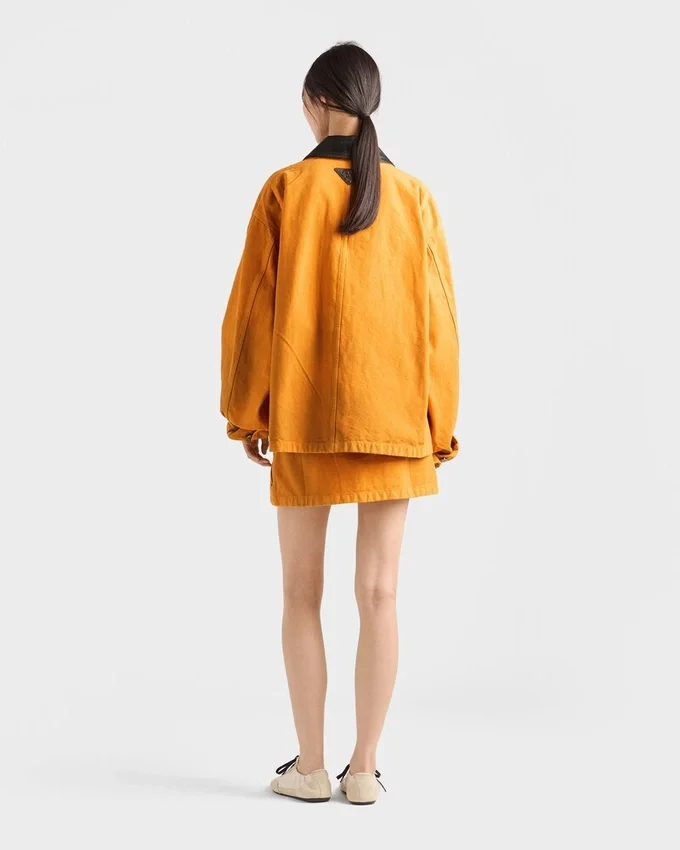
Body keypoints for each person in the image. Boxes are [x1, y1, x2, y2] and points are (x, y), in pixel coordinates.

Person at [220, 41, 459, 805]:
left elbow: (252, 311)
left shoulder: (286, 189)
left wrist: (247, 412)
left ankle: (312, 768)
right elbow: (440, 325)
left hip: (307, 419)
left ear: (315, 102)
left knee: (301, 593)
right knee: (380, 595)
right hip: (395, 421)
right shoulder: (414, 196)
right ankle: (364, 771)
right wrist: (438, 427)